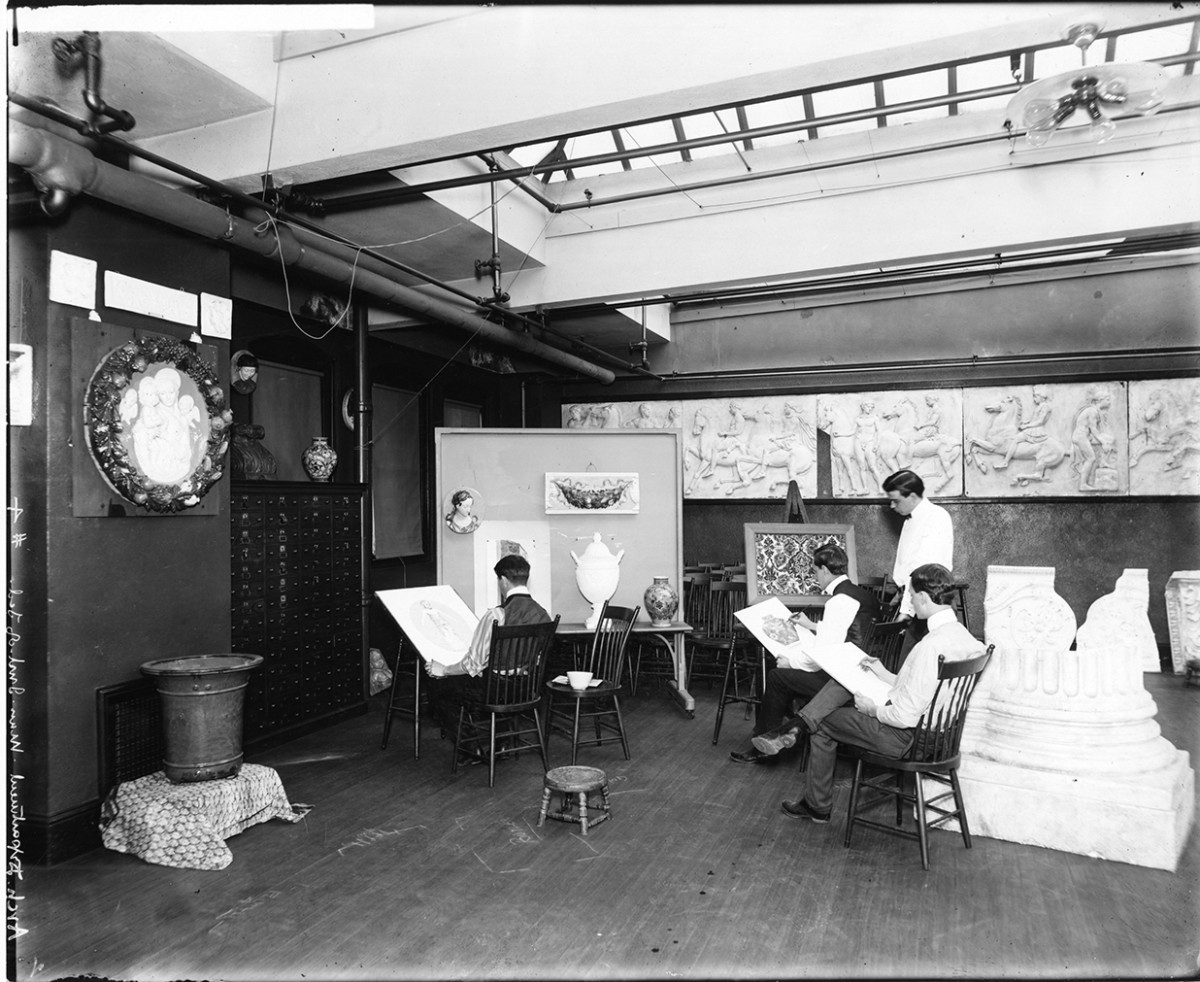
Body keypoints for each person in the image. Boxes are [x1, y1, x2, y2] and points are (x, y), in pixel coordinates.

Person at [778, 563, 985, 823]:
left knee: (823, 723)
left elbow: (904, 717)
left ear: (923, 597)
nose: (909, 601)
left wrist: (871, 709)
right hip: (941, 738)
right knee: (848, 681)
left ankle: (816, 804)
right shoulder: (965, 638)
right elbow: (926, 685)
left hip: (908, 739)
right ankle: (800, 724)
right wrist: (882, 672)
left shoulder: (929, 647)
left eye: (910, 596)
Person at [730, 543, 879, 764]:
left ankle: (765, 743)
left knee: (776, 676)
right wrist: (811, 625)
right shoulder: (863, 596)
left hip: (840, 681)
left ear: (825, 571)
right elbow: (846, 632)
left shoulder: (839, 601)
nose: (815, 576)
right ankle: (789, 730)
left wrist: (791, 661)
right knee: (786, 675)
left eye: (815, 571)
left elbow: (823, 654)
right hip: (861, 673)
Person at [424, 554, 551, 732]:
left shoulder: (496, 616)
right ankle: (502, 743)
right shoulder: (544, 615)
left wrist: (443, 669)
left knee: (438, 686)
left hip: (495, 691)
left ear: (504, 580)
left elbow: (473, 664)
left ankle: (470, 749)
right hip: (526, 690)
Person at [882, 468, 954, 660]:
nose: (891, 505)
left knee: (917, 665)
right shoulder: (909, 521)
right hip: (914, 599)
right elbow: (906, 564)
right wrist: (900, 594)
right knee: (908, 665)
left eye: (896, 500)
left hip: (928, 602)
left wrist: (906, 611)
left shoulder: (936, 517)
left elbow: (921, 571)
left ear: (912, 496)